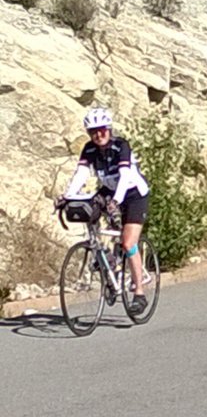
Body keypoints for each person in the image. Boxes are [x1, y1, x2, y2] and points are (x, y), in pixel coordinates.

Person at [58, 107, 151, 315]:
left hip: (134, 194)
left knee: (128, 242)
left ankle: (139, 292)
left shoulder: (121, 146)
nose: (98, 135)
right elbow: (81, 174)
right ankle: (108, 263)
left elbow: (126, 176)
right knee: (88, 213)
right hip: (109, 191)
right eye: (93, 132)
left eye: (101, 130)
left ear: (109, 129)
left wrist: (116, 201)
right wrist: (67, 196)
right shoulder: (89, 149)